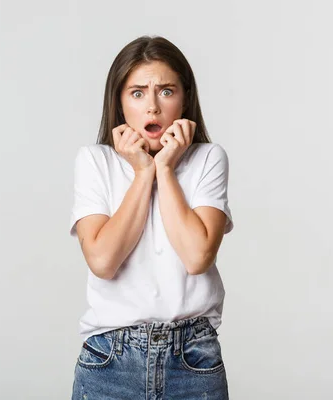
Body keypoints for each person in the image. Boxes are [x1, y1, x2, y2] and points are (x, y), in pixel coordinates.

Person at [69, 35, 234, 399]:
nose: (153, 108)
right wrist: (143, 174)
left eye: (166, 91)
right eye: (138, 92)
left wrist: (166, 169)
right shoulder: (95, 162)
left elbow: (197, 257)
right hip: (109, 361)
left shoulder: (209, 159)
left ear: (185, 98)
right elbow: (103, 261)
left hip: (193, 361)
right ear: (119, 103)